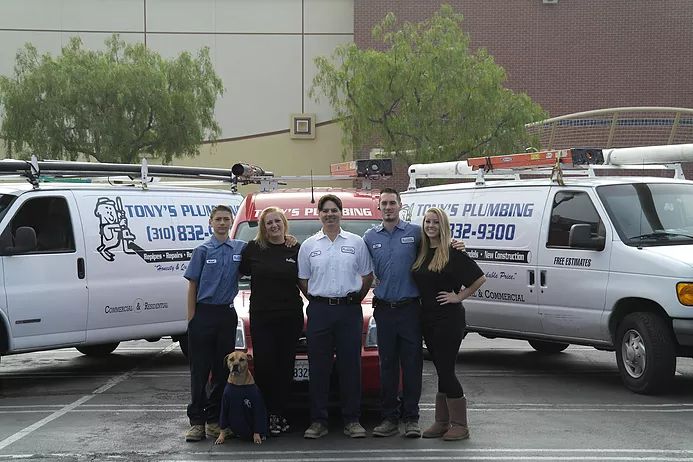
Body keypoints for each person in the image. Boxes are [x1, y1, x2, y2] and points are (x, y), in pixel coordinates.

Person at [364, 188, 467, 438]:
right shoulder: (368, 237)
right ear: (379, 207)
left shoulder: (414, 233)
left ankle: (411, 418)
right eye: (384, 203)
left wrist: (456, 244)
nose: (388, 207)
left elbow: (437, 244)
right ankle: (389, 418)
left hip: (411, 310)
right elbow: (363, 270)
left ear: (400, 206)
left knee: (412, 366)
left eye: (392, 203)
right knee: (387, 365)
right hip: (384, 310)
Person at [298, 194, 374, 439]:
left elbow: (366, 275)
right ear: (318, 214)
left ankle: (352, 420)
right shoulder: (309, 245)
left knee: (349, 366)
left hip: (349, 310)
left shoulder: (357, 242)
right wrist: (317, 299)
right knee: (318, 367)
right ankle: (318, 421)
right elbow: (302, 278)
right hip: (319, 311)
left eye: (334, 210)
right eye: (325, 211)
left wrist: (356, 298)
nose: (330, 214)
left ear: (341, 213)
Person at [411, 207, 486, 441]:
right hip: (427, 319)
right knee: (440, 369)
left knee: (446, 370)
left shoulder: (452, 252)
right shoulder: (421, 250)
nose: (430, 226)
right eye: (427, 222)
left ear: (442, 226)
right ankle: (442, 422)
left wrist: (458, 296)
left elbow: (479, 278)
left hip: (449, 319)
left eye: (435, 222)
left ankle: (460, 425)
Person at [183, 204, 246, 442]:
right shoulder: (202, 250)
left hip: (226, 315)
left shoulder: (240, 249)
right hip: (203, 314)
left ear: (231, 222)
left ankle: (213, 420)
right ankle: (196, 422)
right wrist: (192, 318)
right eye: (218, 219)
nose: (222, 223)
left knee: (223, 370)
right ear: (211, 222)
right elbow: (192, 285)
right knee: (200, 371)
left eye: (226, 219)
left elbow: (263, 247)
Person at [239, 207, 303, 436]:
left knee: (285, 367)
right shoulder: (253, 249)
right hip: (262, 317)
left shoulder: (296, 248)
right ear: (263, 227)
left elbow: (305, 280)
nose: (274, 225)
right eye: (269, 223)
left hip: (290, 317)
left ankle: (280, 413)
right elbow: (236, 270)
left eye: (277, 221)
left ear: (284, 223)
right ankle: (265, 414)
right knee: (265, 367)